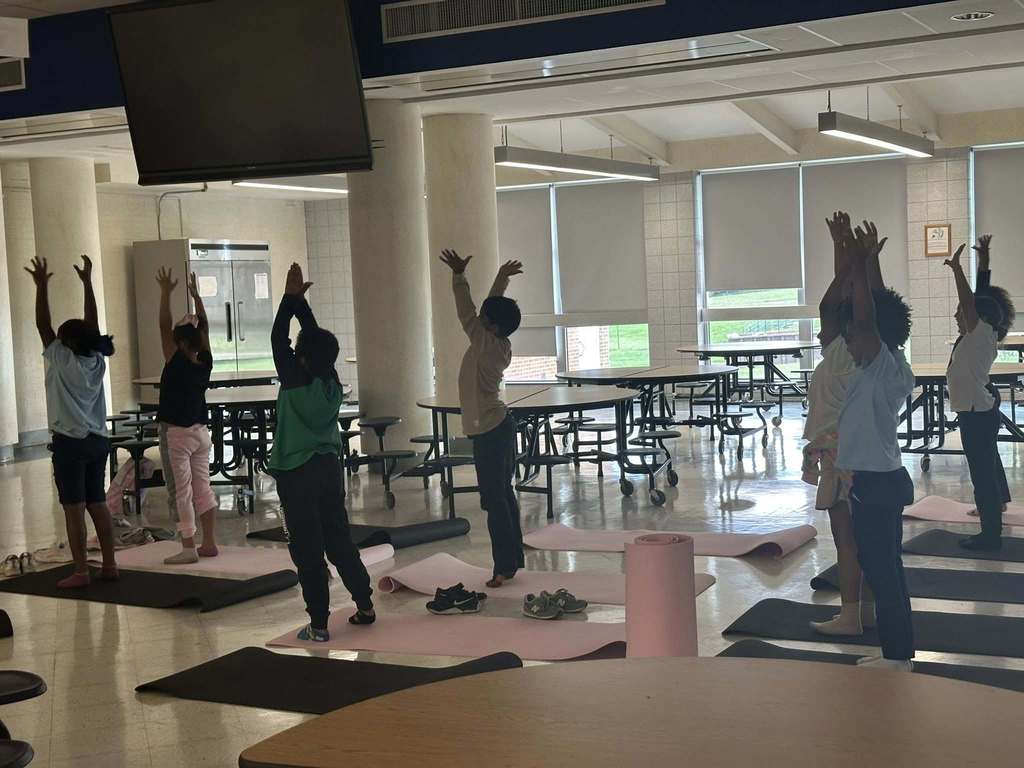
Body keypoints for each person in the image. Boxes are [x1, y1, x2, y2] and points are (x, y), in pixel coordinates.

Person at [268, 262, 373, 641]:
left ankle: (319, 625)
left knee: (307, 549)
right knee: (338, 538)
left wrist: (288, 301)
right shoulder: (330, 380)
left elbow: (279, 339)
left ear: (301, 358)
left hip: (297, 474)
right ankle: (364, 604)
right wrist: (299, 304)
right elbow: (311, 341)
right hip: (329, 469)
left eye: (298, 353)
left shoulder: (294, 380)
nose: (293, 353)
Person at [837, 222, 916, 671]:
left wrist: (865, 264)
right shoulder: (886, 365)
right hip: (877, 479)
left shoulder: (884, 367)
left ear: (875, 339)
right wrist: (871, 266)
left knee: (882, 571)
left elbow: (873, 317)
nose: (848, 341)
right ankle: (898, 653)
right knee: (886, 567)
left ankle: (898, 658)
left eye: (853, 335)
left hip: (877, 483)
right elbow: (883, 313)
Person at [26, 254, 118, 588]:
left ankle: (81, 571)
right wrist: (87, 283)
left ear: (67, 343)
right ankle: (109, 565)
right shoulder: (95, 361)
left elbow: (41, 324)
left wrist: (40, 287)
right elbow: (91, 327)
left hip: (70, 443)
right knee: (98, 503)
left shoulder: (62, 358)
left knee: (74, 507)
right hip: (97, 441)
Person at [803, 211, 874, 636]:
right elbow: (845, 301)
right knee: (861, 538)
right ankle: (863, 610)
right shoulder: (857, 355)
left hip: (841, 455)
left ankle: (852, 616)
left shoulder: (847, 356)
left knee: (847, 538)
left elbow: (836, 302)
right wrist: (849, 253)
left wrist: (851, 257)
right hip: (853, 452)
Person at [439, 249, 523, 589]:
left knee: (494, 500)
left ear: (491, 327)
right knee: (504, 494)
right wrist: (500, 277)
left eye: (485, 320)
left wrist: (459, 277)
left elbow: (468, 311)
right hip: (497, 427)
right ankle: (513, 560)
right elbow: (489, 308)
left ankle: (503, 566)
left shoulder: (485, 342)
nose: (479, 321)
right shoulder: (497, 342)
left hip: (490, 432)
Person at [945, 234, 1016, 551]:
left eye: (962, 311)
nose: (957, 315)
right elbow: (984, 295)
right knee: (986, 467)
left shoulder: (978, 333)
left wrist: (957, 269)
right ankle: (994, 520)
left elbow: (974, 301)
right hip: (977, 410)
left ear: (977, 317)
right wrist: (983, 260)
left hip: (976, 413)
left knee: (982, 475)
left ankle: (990, 535)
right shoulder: (982, 332)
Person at [156, 268, 219, 564]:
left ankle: (188, 548)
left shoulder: (175, 361)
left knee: (182, 491)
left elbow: (163, 324)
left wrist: (166, 293)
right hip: (201, 433)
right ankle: (209, 543)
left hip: (177, 434)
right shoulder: (205, 362)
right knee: (202, 487)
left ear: (179, 344)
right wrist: (197, 298)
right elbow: (204, 330)